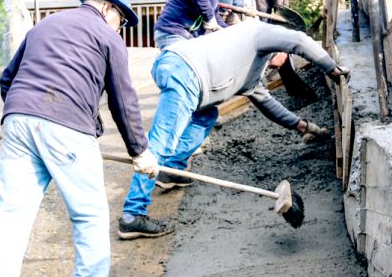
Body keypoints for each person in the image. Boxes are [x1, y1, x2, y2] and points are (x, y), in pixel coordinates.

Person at [0, 0, 160, 276]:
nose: (121, 28)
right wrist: (140, 151)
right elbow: (123, 100)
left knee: (9, 214)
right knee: (89, 216)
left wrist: (28, 113)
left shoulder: (46, 24)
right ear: (107, 7)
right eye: (122, 21)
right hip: (67, 129)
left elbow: (7, 80)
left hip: (17, 120)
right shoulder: (107, 35)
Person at [117, 20, 350, 239]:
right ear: (280, 48)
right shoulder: (260, 32)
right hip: (185, 71)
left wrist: (303, 126)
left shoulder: (253, 73)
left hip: (191, 80)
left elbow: (268, 105)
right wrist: (331, 68)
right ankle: (132, 214)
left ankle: (171, 170)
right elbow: (299, 40)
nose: (280, 67)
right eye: (285, 60)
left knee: (206, 117)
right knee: (160, 143)